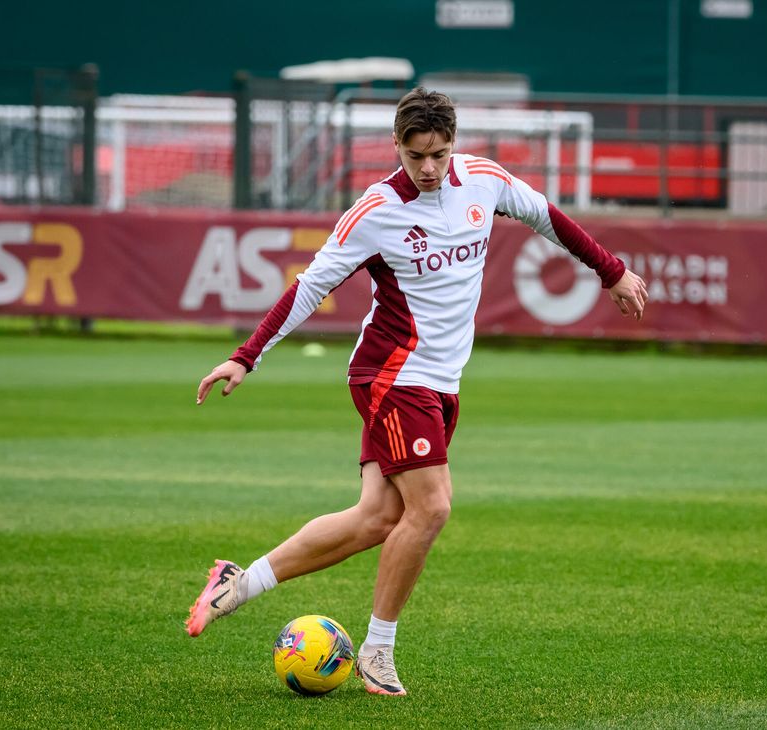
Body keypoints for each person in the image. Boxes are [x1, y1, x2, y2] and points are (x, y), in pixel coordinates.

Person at [187, 88, 648, 697]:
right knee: (431, 508)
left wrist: (611, 272)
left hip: (441, 382)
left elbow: (549, 218)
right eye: (414, 156)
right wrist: (245, 356)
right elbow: (309, 286)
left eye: (437, 154)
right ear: (396, 147)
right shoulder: (376, 210)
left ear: (452, 144)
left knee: (377, 518)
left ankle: (237, 584)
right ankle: (378, 652)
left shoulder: (483, 181)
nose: (427, 168)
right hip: (391, 375)